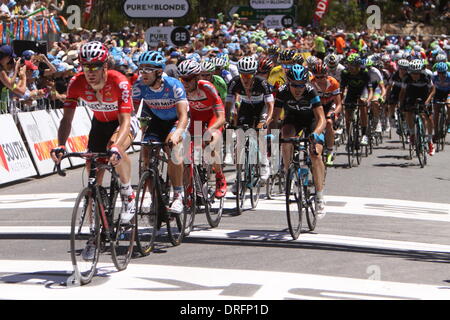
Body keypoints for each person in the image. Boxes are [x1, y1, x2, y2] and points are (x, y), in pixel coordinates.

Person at [132, 50, 189, 214]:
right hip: (156, 120)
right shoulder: (139, 85)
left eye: (147, 69)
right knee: (146, 154)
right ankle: (153, 195)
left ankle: (178, 195)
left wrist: (178, 132)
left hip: (176, 120)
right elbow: (131, 112)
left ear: (158, 71)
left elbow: (183, 115)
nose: (142, 73)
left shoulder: (173, 85)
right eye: (140, 69)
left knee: (174, 149)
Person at [271, 64, 326, 218]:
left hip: (311, 122)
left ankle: (320, 196)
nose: (298, 89)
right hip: (292, 120)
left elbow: (321, 119)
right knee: (286, 137)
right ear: (288, 83)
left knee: (315, 153)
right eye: (295, 85)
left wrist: (315, 134)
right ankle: (289, 172)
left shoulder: (311, 91)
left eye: (301, 85)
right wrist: (272, 135)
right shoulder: (282, 92)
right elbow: (275, 119)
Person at [178, 59, 227, 198]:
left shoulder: (207, 87)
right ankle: (188, 191)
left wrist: (210, 130)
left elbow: (221, 117)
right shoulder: (180, 88)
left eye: (188, 79)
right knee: (185, 155)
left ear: (197, 77)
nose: (185, 83)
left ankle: (219, 177)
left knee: (210, 144)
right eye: (182, 79)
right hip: (195, 119)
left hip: (213, 118)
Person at [225, 56, 274, 182]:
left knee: (260, 132)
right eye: (243, 75)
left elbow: (270, 106)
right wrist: (227, 120)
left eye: (249, 76)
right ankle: (239, 177)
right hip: (246, 107)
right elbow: (228, 104)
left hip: (261, 107)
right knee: (240, 139)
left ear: (254, 74)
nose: (245, 79)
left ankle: (264, 164)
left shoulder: (262, 83)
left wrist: (266, 121)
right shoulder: (234, 83)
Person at [399, 59, 435, 156]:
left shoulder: (426, 77)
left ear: (421, 72)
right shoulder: (406, 78)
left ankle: (430, 141)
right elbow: (402, 93)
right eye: (413, 73)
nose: (415, 75)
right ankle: (412, 134)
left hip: (424, 95)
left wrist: (427, 101)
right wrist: (401, 105)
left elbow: (433, 90)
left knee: (429, 117)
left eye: (417, 73)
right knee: (408, 112)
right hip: (411, 94)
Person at [310, 60, 342, 166]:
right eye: (317, 77)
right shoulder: (311, 82)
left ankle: (330, 151)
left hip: (330, 105)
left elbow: (339, 104)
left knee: (328, 122)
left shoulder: (333, 82)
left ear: (326, 75)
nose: (319, 79)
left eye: (321, 77)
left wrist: (334, 113)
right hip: (317, 105)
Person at [340, 53, 373, 145]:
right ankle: (349, 136)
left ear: (358, 65)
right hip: (351, 92)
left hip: (363, 91)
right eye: (349, 64)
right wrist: (340, 102)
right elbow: (342, 90)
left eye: (352, 65)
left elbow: (370, 90)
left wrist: (368, 100)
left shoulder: (364, 72)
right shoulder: (345, 73)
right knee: (347, 113)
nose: (350, 67)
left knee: (363, 106)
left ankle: (364, 135)